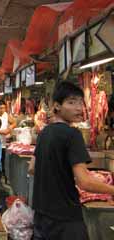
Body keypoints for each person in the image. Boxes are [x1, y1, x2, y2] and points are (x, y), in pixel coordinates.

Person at [30, 81, 114, 240]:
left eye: (80, 102)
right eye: (71, 102)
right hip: (66, 220)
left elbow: (32, 168)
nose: (78, 108)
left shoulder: (44, 133)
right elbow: (84, 182)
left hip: (41, 217)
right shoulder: (73, 135)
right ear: (57, 106)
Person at [0, 100, 16, 182]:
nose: (2, 110)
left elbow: (13, 122)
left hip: (3, 144)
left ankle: (2, 178)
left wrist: (10, 128)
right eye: (0, 108)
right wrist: (3, 132)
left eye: (4, 108)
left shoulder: (6, 114)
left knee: (2, 162)